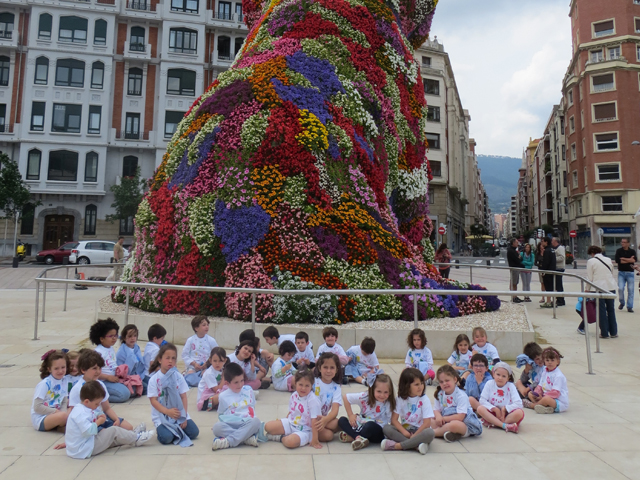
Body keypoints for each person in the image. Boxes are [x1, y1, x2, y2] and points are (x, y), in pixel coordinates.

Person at [58, 381, 154, 459]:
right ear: (87, 401)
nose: (97, 406)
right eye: (96, 404)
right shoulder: (80, 413)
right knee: (113, 431)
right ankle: (136, 438)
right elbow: (88, 431)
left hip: (83, 446)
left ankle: (132, 435)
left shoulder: (83, 407)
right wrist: (99, 421)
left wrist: (100, 414)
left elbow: (94, 413)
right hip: (83, 449)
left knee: (114, 438)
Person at [69, 350, 136, 433]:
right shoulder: (77, 389)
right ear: (83, 370)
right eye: (94, 368)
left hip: (103, 417)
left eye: (100, 368)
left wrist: (116, 419)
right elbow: (73, 415)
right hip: (89, 423)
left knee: (128, 427)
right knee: (108, 434)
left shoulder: (100, 384)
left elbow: (107, 408)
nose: (98, 372)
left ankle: (127, 436)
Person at [147, 343, 200, 445]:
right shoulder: (154, 379)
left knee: (194, 432)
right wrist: (167, 411)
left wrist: (183, 416)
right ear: (160, 359)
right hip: (162, 415)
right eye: (167, 358)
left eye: (173, 358)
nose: (170, 361)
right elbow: (153, 401)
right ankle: (165, 431)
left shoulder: (178, 376)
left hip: (178, 413)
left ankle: (177, 429)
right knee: (167, 438)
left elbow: (183, 397)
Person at [262, 369, 322, 449]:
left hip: (305, 430)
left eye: (307, 385)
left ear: (311, 386)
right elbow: (291, 411)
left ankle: (280, 438)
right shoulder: (294, 395)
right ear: (295, 383)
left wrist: (315, 439)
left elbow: (315, 420)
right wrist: (284, 424)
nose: (303, 388)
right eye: (300, 385)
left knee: (290, 442)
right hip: (291, 424)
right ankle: (286, 433)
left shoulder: (313, 400)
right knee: (267, 426)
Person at [381, 368, 435, 454]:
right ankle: (416, 446)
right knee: (386, 428)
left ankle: (397, 446)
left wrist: (415, 435)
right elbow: (394, 420)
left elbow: (427, 423)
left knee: (430, 433)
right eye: (416, 384)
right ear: (407, 385)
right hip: (405, 430)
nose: (420, 387)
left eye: (422, 383)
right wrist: (404, 432)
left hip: (420, 431)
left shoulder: (424, 399)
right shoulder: (399, 399)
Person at [211, 363, 261, 450]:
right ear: (227, 383)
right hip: (231, 423)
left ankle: (228, 441)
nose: (240, 385)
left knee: (256, 422)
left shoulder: (248, 390)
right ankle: (246, 438)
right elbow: (221, 414)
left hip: (247, 422)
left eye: (242, 381)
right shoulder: (223, 396)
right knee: (216, 428)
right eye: (236, 382)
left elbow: (252, 407)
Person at [338, 374, 395, 450]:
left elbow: (391, 421)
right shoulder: (365, 397)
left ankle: (352, 437)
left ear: (390, 392)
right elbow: (346, 397)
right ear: (372, 389)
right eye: (379, 391)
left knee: (369, 426)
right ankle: (357, 437)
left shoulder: (388, 403)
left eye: (386, 392)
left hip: (377, 431)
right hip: (361, 425)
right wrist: (351, 415)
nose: (382, 395)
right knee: (342, 420)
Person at [431, 365, 483, 442]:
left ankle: (432, 433)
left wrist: (443, 419)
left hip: (464, 423)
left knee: (454, 425)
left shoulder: (461, 395)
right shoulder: (440, 394)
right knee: (429, 419)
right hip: (445, 420)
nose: (444, 383)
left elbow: (460, 417)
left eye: (447, 380)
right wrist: (438, 416)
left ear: (455, 379)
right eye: (441, 382)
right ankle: (449, 433)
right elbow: (436, 410)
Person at [89, 318, 131, 403]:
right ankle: (100, 398)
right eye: (111, 336)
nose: (114, 338)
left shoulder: (111, 348)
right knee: (125, 394)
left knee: (134, 388)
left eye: (115, 335)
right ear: (101, 339)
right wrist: (108, 377)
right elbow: (93, 373)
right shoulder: (98, 352)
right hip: (103, 382)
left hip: (113, 379)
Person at [476, 362, 523, 433]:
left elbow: (519, 403)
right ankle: (504, 425)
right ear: (493, 374)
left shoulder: (511, 386)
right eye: (498, 374)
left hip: (507, 415)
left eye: (504, 376)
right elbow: (482, 400)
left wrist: (505, 409)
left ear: (508, 378)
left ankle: (495, 423)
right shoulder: (489, 384)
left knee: (519, 412)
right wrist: (495, 409)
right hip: (493, 413)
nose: (500, 378)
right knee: (480, 408)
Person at [31, 350, 70, 432]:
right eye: (56, 368)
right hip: (42, 418)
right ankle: (64, 425)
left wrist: (63, 412)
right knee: (65, 415)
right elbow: (37, 407)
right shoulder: (45, 384)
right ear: (49, 369)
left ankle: (62, 424)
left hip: (58, 413)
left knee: (74, 407)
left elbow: (64, 400)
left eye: (63, 367)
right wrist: (57, 412)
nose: (60, 371)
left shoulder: (64, 380)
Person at [586, 245, 618, 338]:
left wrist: (587, 289)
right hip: (610, 286)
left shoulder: (591, 261)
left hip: (598, 287)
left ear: (592, 253)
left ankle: (604, 332)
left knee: (601, 310)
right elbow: (611, 273)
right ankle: (614, 332)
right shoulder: (608, 259)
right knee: (611, 310)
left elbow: (590, 277)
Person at [527, 347, 569, 414]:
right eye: (547, 360)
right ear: (544, 361)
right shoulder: (545, 372)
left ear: (557, 361)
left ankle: (533, 405)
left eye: (552, 360)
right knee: (530, 394)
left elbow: (555, 393)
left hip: (558, 401)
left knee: (546, 400)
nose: (550, 362)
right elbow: (540, 386)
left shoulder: (558, 376)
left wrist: (543, 397)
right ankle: (546, 407)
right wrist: (537, 394)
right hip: (546, 396)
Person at [313, 353, 343, 442]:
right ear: (319, 368)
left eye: (332, 368)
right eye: (325, 367)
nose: (328, 371)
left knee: (338, 423)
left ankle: (316, 428)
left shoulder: (336, 387)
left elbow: (335, 411)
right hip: (309, 416)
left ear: (337, 369)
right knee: (329, 436)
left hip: (322, 417)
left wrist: (325, 420)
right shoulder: (313, 382)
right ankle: (308, 431)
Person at [182, 316, 219, 387]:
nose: (206, 327)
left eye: (207, 325)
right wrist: (194, 364)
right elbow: (184, 355)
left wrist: (207, 363)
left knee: (207, 374)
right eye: (203, 325)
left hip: (207, 365)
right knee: (190, 376)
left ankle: (202, 378)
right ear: (196, 328)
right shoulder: (190, 340)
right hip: (194, 366)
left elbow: (217, 352)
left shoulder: (211, 340)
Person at [116, 325, 146, 392]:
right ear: (124, 338)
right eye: (130, 336)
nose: (133, 338)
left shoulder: (136, 348)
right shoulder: (121, 352)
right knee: (146, 388)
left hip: (138, 375)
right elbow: (122, 370)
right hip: (128, 378)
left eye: (134, 336)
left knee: (150, 381)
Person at [197, 347, 227, 411]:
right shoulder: (209, 373)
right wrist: (224, 376)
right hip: (205, 401)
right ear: (210, 360)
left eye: (220, 361)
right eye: (215, 361)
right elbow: (217, 389)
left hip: (214, 395)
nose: (217, 363)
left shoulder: (222, 370)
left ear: (225, 360)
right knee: (223, 395)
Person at [615, 238, 636, 313]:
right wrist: (629, 260)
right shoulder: (619, 251)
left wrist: (623, 259)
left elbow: (633, 260)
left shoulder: (632, 251)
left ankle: (629, 306)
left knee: (630, 290)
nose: (622, 243)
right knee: (620, 288)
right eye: (622, 242)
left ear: (628, 243)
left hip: (630, 273)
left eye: (624, 242)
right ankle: (622, 302)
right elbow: (618, 261)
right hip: (621, 272)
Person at [540, 237, 557, 308]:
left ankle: (548, 301)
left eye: (543, 241)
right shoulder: (552, 250)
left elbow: (546, 262)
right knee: (552, 286)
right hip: (552, 270)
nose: (542, 242)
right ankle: (552, 301)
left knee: (548, 287)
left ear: (546, 242)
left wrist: (543, 271)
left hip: (548, 272)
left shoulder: (547, 251)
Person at [507, 238, 525, 303]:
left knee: (515, 282)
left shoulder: (513, 250)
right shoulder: (511, 251)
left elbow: (520, 258)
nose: (518, 244)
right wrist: (519, 258)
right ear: (513, 243)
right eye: (517, 242)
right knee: (514, 283)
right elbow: (518, 260)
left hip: (515, 268)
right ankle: (514, 297)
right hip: (514, 268)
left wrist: (519, 257)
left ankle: (515, 296)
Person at [552, 237, 566, 306]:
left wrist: (553, 259)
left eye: (552, 241)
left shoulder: (560, 248)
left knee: (559, 285)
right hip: (556, 268)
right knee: (557, 285)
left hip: (559, 268)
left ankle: (560, 300)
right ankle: (559, 299)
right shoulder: (555, 248)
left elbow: (562, 257)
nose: (551, 242)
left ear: (556, 242)